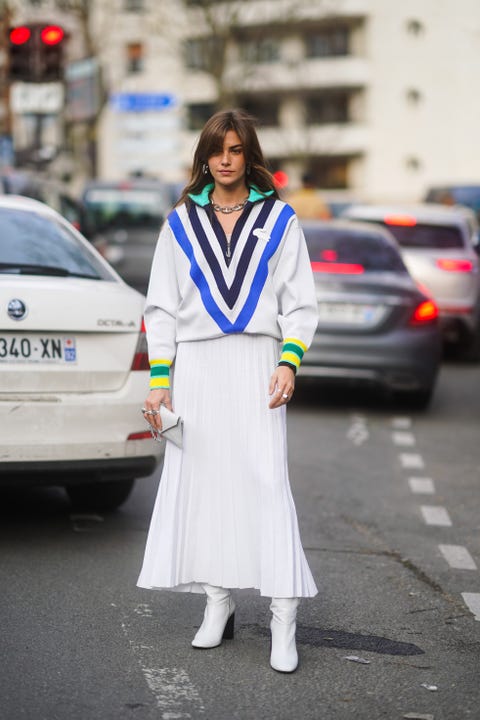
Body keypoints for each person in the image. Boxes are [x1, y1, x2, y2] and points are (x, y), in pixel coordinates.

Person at [137, 109, 318, 673]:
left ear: (248, 156)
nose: (225, 160)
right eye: (216, 150)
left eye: (235, 150)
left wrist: (290, 363)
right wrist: (161, 381)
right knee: (207, 483)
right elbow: (162, 308)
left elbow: (301, 303)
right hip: (197, 367)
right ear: (204, 157)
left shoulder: (281, 219)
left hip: (258, 363)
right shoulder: (179, 223)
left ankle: (284, 617)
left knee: (266, 480)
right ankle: (217, 603)